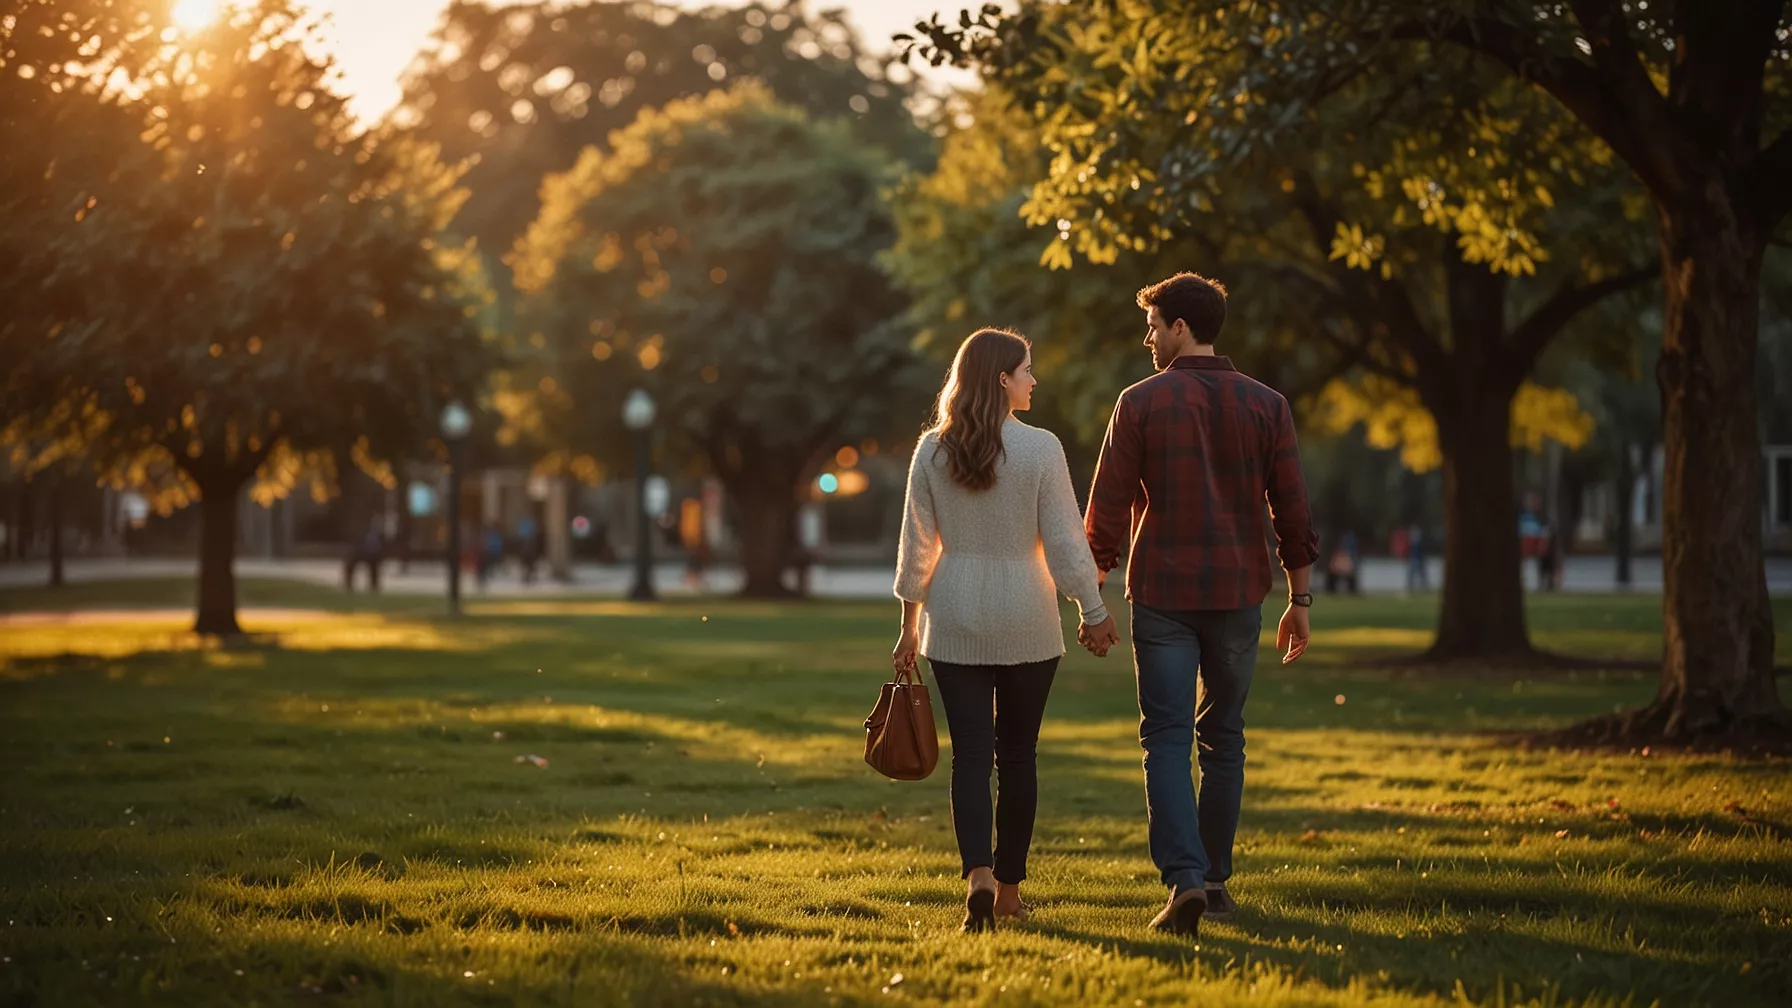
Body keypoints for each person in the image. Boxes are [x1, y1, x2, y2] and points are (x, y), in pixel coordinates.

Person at [1084, 272, 1317, 939]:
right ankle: (1213, 883)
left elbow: (1105, 508)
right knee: (1225, 740)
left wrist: (1091, 595)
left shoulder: (1140, 402)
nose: (1148, 337)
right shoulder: (1267, 404)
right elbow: (1293, 509)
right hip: (1240, 591)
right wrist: (1299, 598)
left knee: (1164, 736)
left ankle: (1183, 879)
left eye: (1153, 325)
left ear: (1181, 327)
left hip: (1162, 592)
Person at [892, 327, 1116, 934]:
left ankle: (979, 878)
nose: (1033, 380)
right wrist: (1093, 613)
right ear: (1001, 379)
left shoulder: (932, 451)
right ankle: (1011, 891)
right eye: (1025, 370)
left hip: (955, 615)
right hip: (1028, 616)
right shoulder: (1042, 449)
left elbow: (917, 547)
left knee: (970, 757)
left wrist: (909, 624)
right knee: (1018, 756)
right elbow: (1068, 544)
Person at [342, 518, 384, 593]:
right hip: (362, 552)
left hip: (372, 554)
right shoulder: (362, 531)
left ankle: (374, 586)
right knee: (350, 563)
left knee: (374, 564)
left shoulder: (377, 533)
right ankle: (349, 585)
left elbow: (379, 547)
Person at [1406, 522, 1429, 592]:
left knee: (1420, 574)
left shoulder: (1417, 541)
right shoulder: (1413, 541)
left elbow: (1420, 551)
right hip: (1415, 559)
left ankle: (1422, 587)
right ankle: (1412, 587)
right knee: (1415, 574)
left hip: (1418, 559)